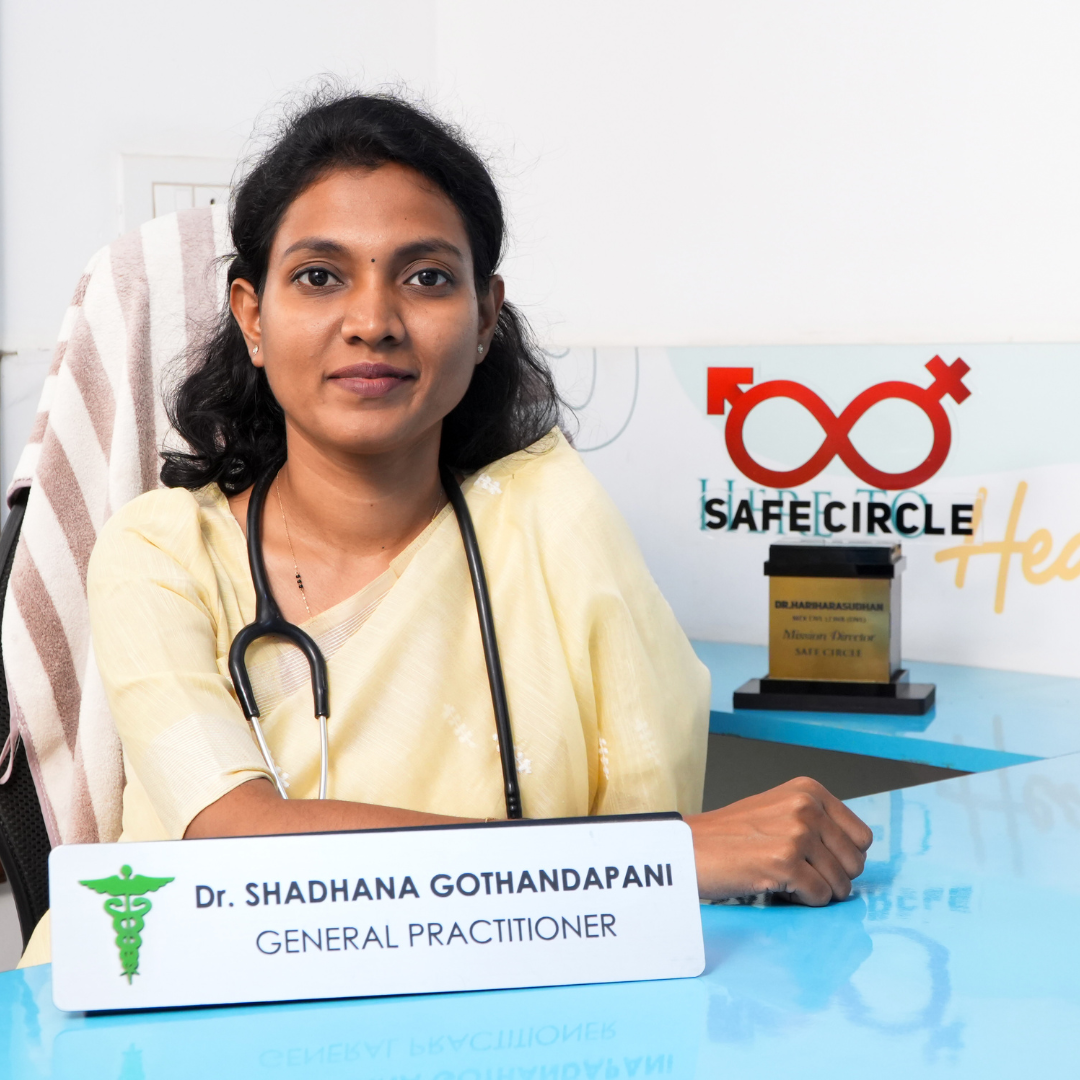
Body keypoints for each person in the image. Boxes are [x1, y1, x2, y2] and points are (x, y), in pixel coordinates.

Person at [19, 92, 870, 966]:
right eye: (320, 275)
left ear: (485, 315)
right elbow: (238, 841)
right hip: (177, 1005)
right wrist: (666, 856)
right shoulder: (159, 551)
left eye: (426, 276)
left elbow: (638, 910)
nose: (374, 321)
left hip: (504, 1022)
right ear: (252, 316)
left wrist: (656, 862)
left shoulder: (552, 525)